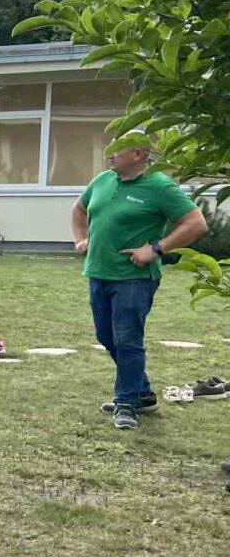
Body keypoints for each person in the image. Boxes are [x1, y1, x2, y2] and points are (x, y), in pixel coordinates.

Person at [72, 132, 207, 430]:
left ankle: (126, 402)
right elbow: (79, 209)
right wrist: (81, 239)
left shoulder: (159, 185)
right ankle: (142, 394)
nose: (109, 154)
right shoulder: (102, 180)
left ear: (138, 153)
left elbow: (196, 222)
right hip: (98, 274)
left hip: (133, 279)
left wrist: (157, 249)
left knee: (127, 340)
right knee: (106, 337)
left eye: (116, 150)